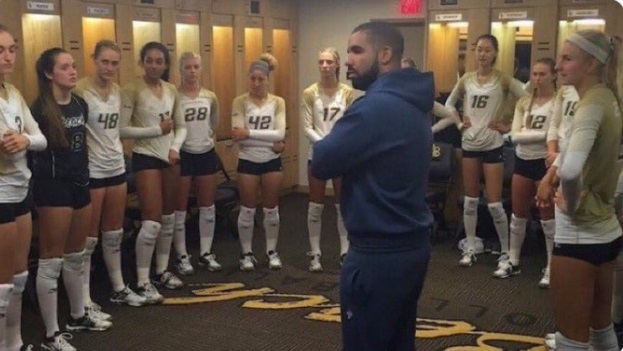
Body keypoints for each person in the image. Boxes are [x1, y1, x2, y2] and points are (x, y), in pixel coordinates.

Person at [312, 21, 433, 351]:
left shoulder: (374, 108)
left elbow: (321, 161)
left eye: (356, 50)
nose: (347, 60)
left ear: (385, 54)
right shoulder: (413, 98)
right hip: (410, 247)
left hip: (378, 255)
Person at [536, 30, 622, 351]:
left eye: (567, 58)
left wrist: (569, 203)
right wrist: (549, 177)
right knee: (601, 331)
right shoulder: (608, 97)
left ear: (591, 63)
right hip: (606, 234)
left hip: (579, 236)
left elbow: (572, 169)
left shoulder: (590, 106)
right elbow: (573, 153)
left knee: (571, 339)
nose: (558, 66)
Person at [31, 47, 112, 351]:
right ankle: (51, 335)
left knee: (76, 255)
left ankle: (78, 314)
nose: (73, 71)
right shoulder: (40, 109)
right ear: (50, 74)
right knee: (51, 260)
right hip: (53, 188)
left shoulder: (79, 104)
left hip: (81, 183)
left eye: (74, 66)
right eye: (65, 67)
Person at [74, 40, 147, 310]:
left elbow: (121, 130)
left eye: (114, 63)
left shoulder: (118, 92)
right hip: (92, 171)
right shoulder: (80, 90)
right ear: (94, 59)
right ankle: (84, 297)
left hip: (117, 167)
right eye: (104, 61)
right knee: (88, 238)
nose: (109, 67)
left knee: (114, 232)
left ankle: (117, 287)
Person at [445, 34, 527, 269]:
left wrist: (511, 125)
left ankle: (504, 251)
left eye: (487, 50)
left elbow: (528, 98)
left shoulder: (503, 79)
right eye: (479, 50)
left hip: (493, 145)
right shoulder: (467, 80)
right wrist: (460, 124)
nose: (482, 54)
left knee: (494, 203)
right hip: (470, 144)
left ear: (494, 53)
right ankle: (471, 247)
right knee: (470, 201)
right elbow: (450, 103)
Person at [120, 41, 186, 302]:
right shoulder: (131, 89)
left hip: (169, 157)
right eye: (150, 60)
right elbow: (122, 129)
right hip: (145, 155)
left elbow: (180, 125)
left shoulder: (171, 89)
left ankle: (162, 271)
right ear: (142, 62)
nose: (155, 65)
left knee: (168, 218)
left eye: (159, 61)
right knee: (151, 220)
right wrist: (156, 131)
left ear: (166, 64)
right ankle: (143, 280)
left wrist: (175, 147)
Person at [0, 23, 46, 351]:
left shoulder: (13, 93)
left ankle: (15, 343)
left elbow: (40, 138)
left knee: (19, 276)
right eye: (0, 50)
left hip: (21, 189)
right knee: (2, 281)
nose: (7, 57)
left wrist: (24, 139)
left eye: (12, 49)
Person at [494, 58, 557, 287]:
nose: (537, 79)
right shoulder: (524, 102)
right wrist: (531, 135)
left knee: (547, 217)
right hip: (522, 161)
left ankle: (551, 265)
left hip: (544, 163)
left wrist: (523, 134)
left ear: (553, 76)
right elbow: (513, 135)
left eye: (542, 74)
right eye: (534, 74)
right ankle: (513, 259)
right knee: (518, 214)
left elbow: (553, 134)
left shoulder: (557, 102)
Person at [232, 53, 286, 271]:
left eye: (260, 79)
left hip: (271, 162)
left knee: (271, 209)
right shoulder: (240, 101)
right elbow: (237, 133)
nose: (256, 83)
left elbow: (280, 132)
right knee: (247, 210)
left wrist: (250, 134)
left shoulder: (278, 102)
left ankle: (271, 251)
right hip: (248, 161)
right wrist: (270, 138)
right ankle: (246, 254)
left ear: (267, 79)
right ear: (248, 78)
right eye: (252, 78)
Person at [302, 47, 354, 272]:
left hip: (341, 155)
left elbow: (351, 124)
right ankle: (315, 253)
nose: (324, 66)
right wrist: (324, 145)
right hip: (319, 154)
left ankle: (345, 252)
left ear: (337, 65)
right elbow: (307, 126)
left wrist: (337, 146)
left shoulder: (347, 92)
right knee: (315, 205)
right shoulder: (310, 92)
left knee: (343, 205)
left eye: (329, 62)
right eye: (321, 62)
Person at [172, 52, 222, 275]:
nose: (192, 71)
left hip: (205, 153)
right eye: (187, 67)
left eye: (196, 67)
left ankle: (205, 253)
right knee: (179, 209)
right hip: (183, 155)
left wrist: (210, 142)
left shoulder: (210, 96)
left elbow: (214, 124)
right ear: (180, 70)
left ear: (201, 69)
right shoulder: (174, 96)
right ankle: (182, 255)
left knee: (207, 207)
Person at [399, 58, 459, 133]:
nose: (404, 75)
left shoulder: (421, 98)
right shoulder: (394, 95)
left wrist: (431, 131)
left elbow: (451, 117)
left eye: (407, 71)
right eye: (400, 71)